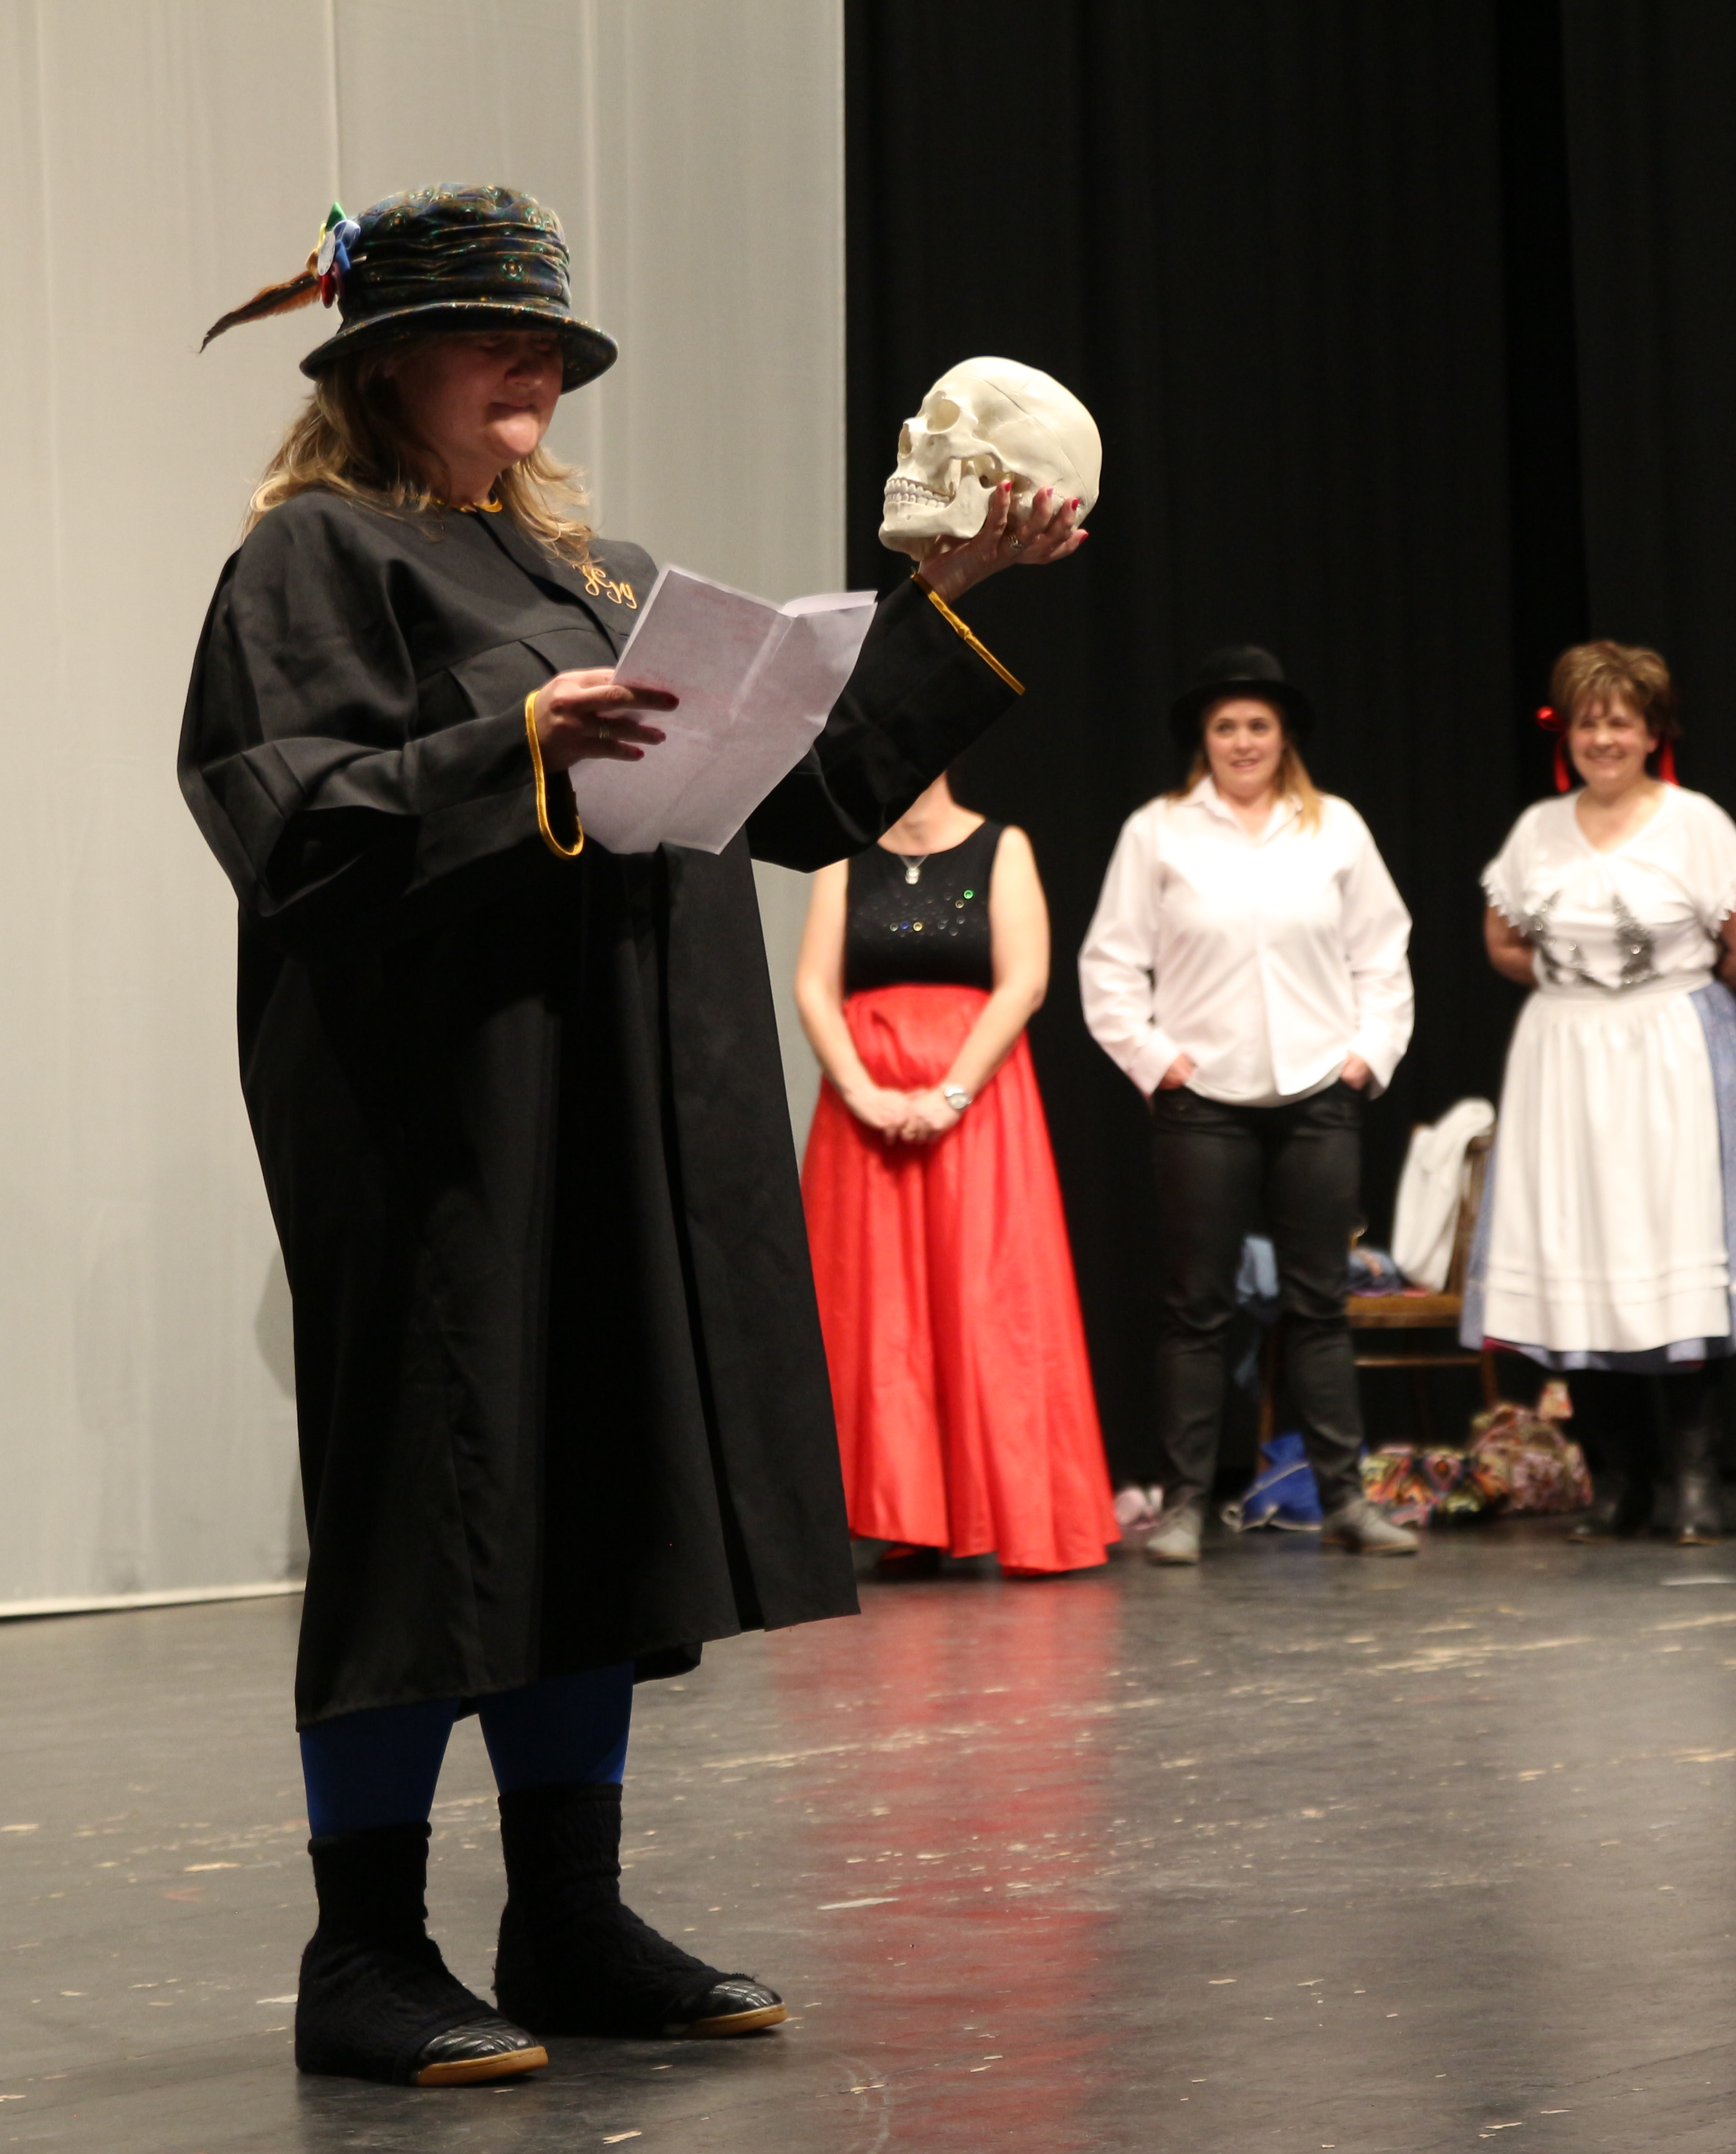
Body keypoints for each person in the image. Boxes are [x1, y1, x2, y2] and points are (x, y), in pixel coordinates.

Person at [180, 186, 1085, 2087]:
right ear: (383, 365)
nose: (534, 370)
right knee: (433, 1506)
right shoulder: (316, 558)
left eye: (553, 347)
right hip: (442, 1117)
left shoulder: (599, 576)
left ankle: (568, 1915)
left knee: (591, 1486)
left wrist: (946, 603)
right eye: (494, 340)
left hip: (617, 1101)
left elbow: (805, 802)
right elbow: (287, 817)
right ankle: (364, 1948)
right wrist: (513, 748)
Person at [1077, 646, 1419, 1565]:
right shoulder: (1159, 832)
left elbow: (1383, 952)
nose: (1241, 742)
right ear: (1204, 738)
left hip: (1318, 1092)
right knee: (1198, 1307)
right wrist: (1157, 1060)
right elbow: (1110, 962)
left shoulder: (1335, 828)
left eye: (1257, 726)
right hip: (1205, 1100)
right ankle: (1185, 1505)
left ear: (1284, 736)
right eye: (1225, 726)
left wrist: (1367, 1055)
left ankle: (1346, 1501)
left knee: (1319, 1306)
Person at [1467, 641, 1736, 1544]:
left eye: (1621, 722)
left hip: (1670, 1057)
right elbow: (1501, 941)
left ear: (1654, 733)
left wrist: (1676, 1001)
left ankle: (1695, 1483)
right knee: (1581, 1257)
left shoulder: (1695, 822)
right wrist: (1578, 992)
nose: (1603, 739)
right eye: (1588, 722)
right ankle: (1619, 1482)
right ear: (1567, 734)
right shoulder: (1539, 830)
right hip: (1565, 1060)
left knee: (1672, 1254)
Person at [793, 770, 1110, 1577]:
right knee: (878, 1311)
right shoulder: (845, 858)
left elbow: (1024, 982)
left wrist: (952, 1095)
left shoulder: (1001, 847)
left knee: (989, 1301)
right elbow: (814, 988)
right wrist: (861, 1091)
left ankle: (1016, 1513)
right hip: (865, 1119)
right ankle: (904, 1518)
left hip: (979, 1113)